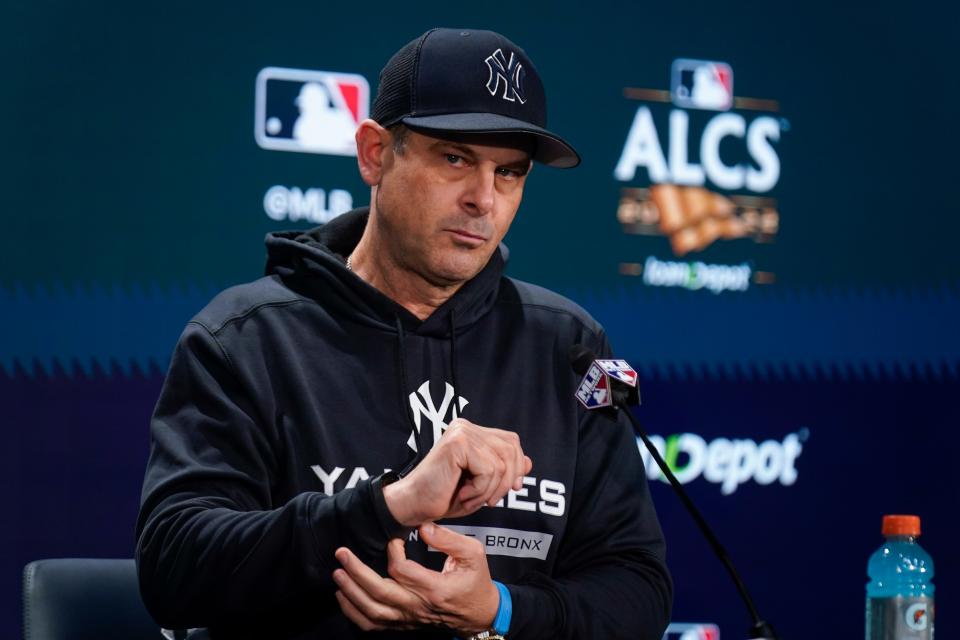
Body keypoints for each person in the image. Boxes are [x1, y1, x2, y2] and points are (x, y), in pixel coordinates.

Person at [136, 27, 672, 640]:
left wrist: (499, 609)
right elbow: (172, 567)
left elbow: (636, 591)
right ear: (374, 154)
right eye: (455, 159)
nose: (483, 200)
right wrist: (387, 507)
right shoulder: (246, 340)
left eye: (510, 174)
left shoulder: (568, 348)